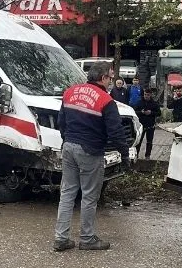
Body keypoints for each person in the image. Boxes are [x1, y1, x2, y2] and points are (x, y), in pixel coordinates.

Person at [54, 61, 129, 252]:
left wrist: (67, 140)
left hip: (69, 147)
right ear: (103, 78)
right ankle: (87, 238)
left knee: (67, 193)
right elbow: (116, 132)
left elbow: (61, 122)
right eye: (110, 77)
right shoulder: (106, 100)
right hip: (91, 150)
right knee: (89, 196)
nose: (111, 81)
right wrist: (125, 155)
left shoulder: (70, 92)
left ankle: (61, 238)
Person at [134, 88, 161, 159]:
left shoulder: (154, 103)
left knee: (149, 141)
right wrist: (141, 112)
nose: (146, 96)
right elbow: (134, 111)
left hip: (150, 125)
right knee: (138, 141)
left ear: (150, 95)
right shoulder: (139, 102)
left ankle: (147, 156)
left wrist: (151, 112)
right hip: (141, 125)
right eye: (145, 94)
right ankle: (136, 155)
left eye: (148, 95)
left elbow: (159, 113)